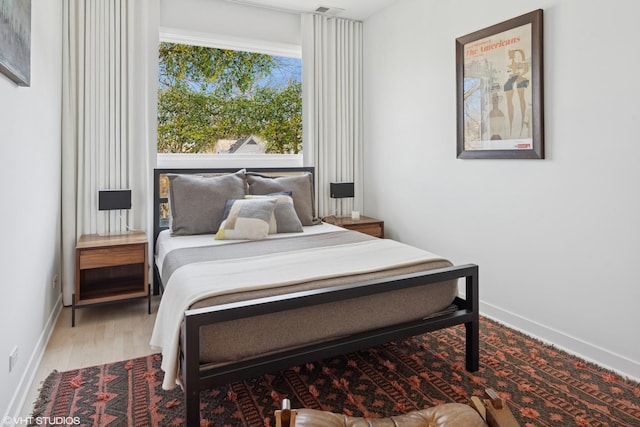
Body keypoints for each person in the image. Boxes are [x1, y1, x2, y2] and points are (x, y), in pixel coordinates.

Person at [503, 49, 529, 137]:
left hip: (519, 78)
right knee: (509, 100)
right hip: (513, 79)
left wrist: (518, 73)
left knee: (521, 97)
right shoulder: (511, 64)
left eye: (510, 54)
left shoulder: (521, 63)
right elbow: (510, 70)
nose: (509, 55)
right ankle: (511, 125)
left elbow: (525, 69)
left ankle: (521, 122)